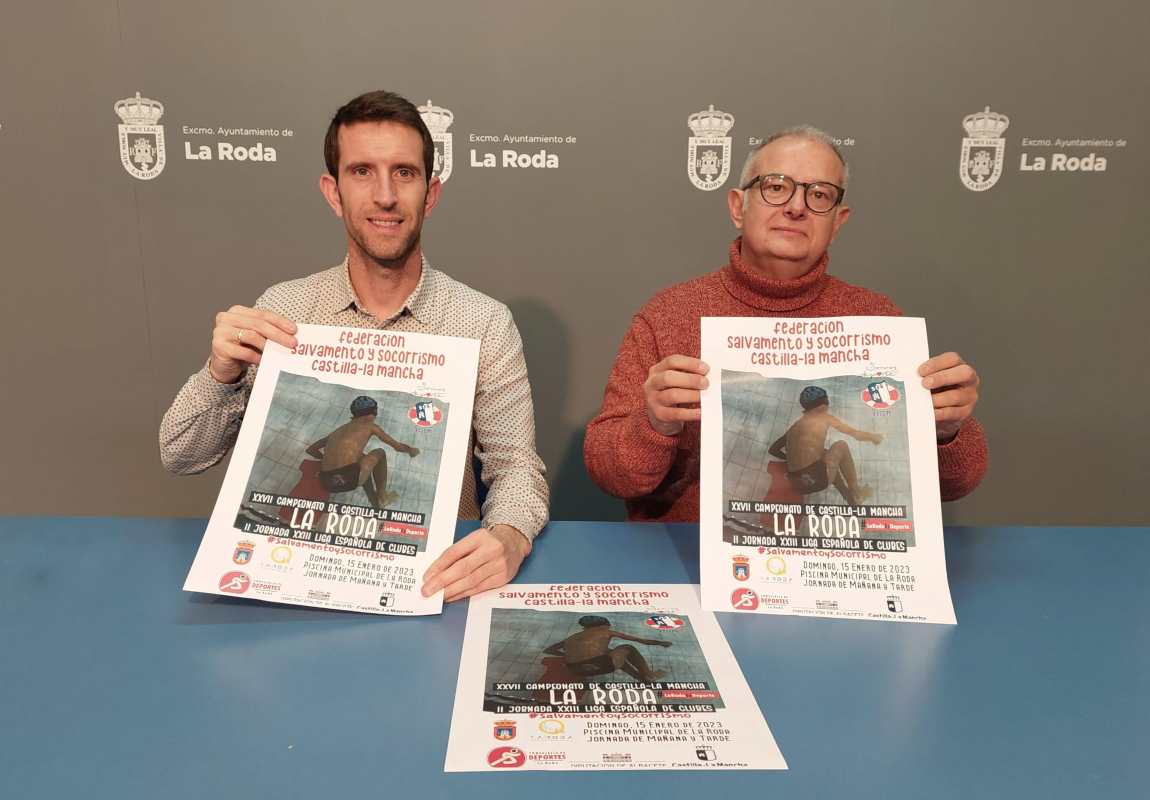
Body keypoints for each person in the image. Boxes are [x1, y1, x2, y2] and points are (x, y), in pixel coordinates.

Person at [160, 90, 548, 601]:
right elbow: (179, 454)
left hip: (430, 586)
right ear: (332, 191)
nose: (385, 196)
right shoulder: (284, 310)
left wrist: (511, 536)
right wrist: (220, 374)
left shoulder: (484, 321)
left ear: (430, 194)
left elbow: (516, 466)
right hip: (295, 576)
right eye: (362, 171)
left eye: (404, 173)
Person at [585, 126, 987, 521]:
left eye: (819, 195)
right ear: (738, 207)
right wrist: (654, 425)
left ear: (838, 221)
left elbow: (958, 483)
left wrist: (947, 430)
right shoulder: (669, 315)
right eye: (776, 187)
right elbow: (611, 475)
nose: (796, 207)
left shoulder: (877, 320)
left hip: (837, 565)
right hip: (688, 561)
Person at [767, 385, 882, 504]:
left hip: (796, 483)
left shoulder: (795, 427)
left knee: (825, 454)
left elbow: (773, 449)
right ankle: (857, 493)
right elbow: (855, 434)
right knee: (841, 446)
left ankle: (850, 499)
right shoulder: (825, 418)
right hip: (816, 481)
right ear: (824, 402)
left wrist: (792, 459)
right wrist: (873, 437)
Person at [305, 395, 419, 509]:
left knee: (361, 461)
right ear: (372, 413)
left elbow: (311, 450)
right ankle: (382, 494)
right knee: (379, 452)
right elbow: (397, 447)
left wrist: (327, 460)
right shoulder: (371, 426)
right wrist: (411, 450)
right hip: (349, 480)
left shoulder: (336, 432)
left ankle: (377, 506)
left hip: (327, 482)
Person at [542, 615, 672, 682]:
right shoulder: (606, 632)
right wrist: (661, 642)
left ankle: (641, 679)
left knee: (611, 653)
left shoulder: (571, 637)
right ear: (604, 625)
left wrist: (567, 656)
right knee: (627, 648)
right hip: (601, 666)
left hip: (575, 670)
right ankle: (650, 675)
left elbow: (548, 650)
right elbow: (640, 640)